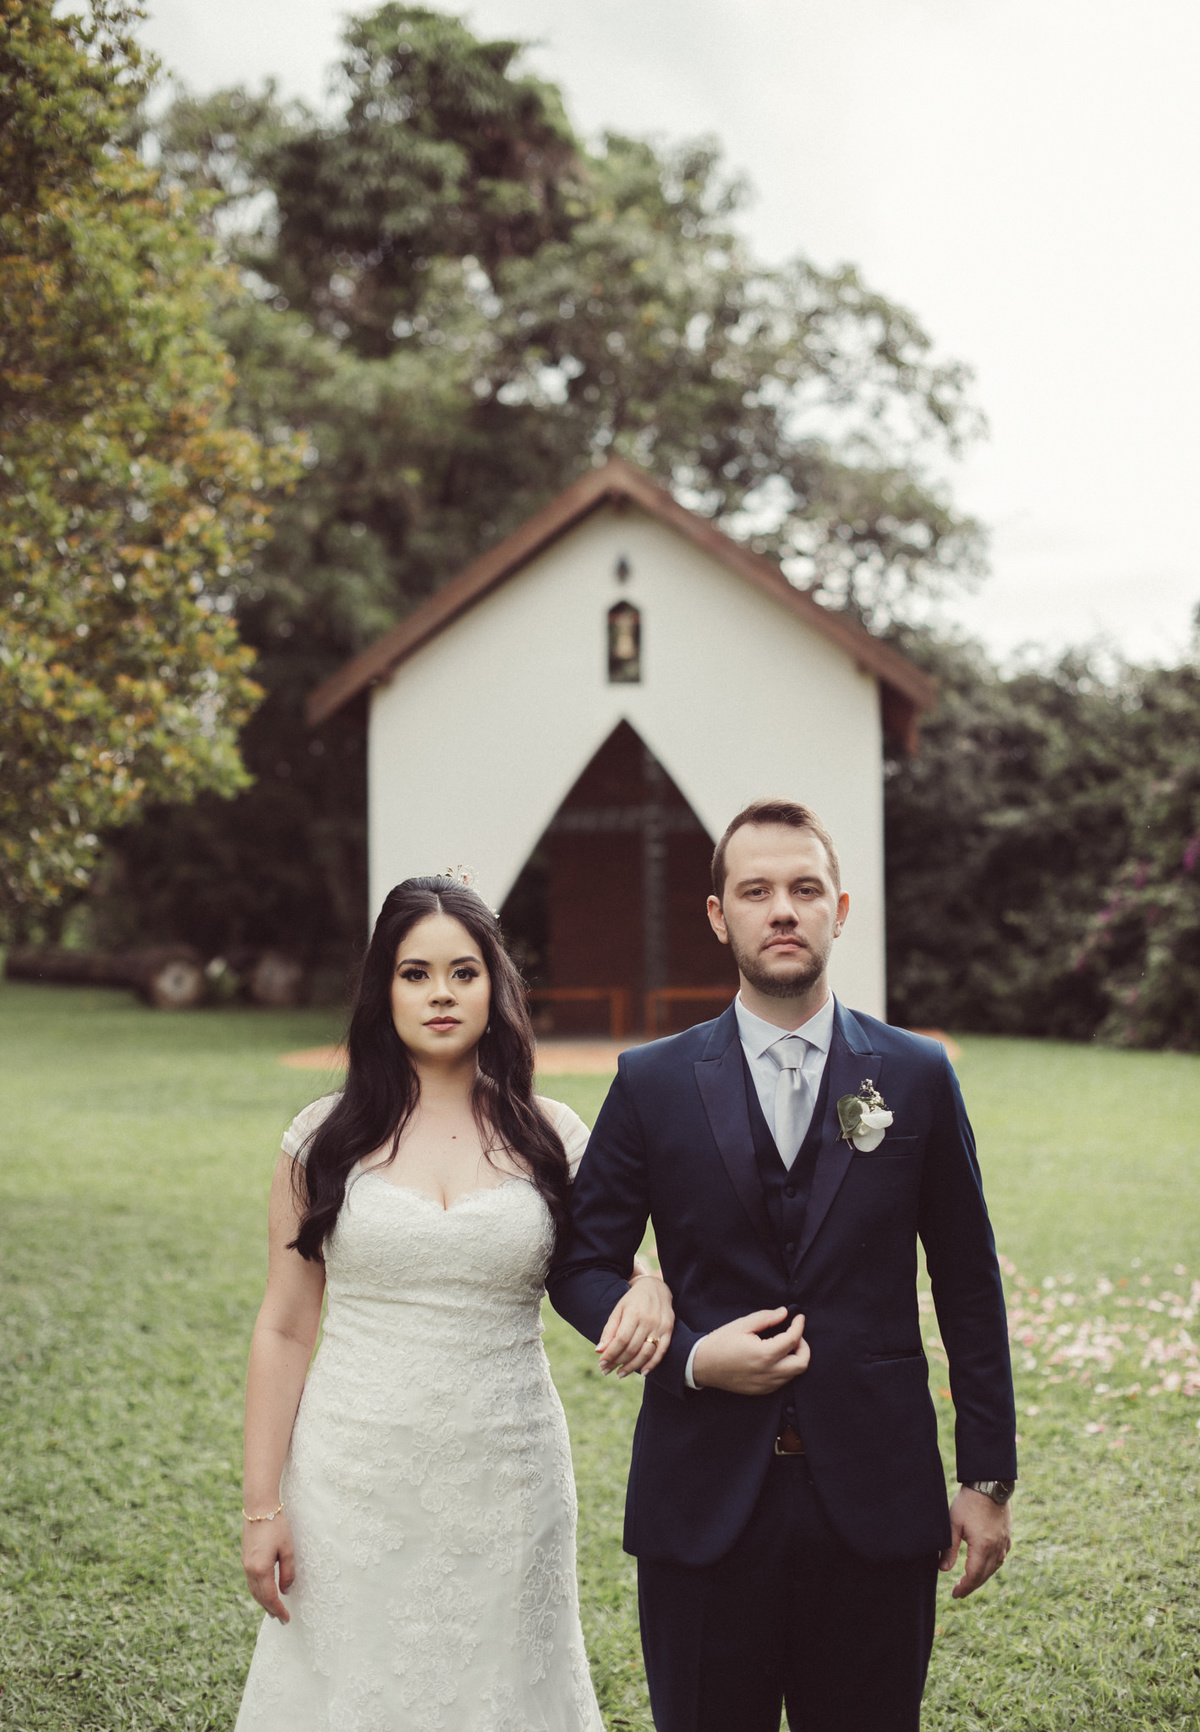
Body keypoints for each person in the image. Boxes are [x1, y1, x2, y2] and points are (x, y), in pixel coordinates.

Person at [548, 800, 1017, 1732]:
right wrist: (686, 1354)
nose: (783, 911)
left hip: (878, 1498)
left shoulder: (917, 1074)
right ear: (719, 916)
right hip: (703, 1502)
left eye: (805, 889)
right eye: (756, 891)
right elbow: (578, 1261)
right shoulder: (652, 1082)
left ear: (840, 909)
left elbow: (968, 1280)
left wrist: (986, 1477)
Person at [234, 874, 673, 1731]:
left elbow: (622, 1264)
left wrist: (652, 1285)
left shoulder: (554, 1135)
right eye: (415, 973)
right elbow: (285, 1326)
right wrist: (262, 1506)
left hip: (508, 1474)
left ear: (495, 987)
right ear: (382, 990)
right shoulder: (319, 1140)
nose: (441, 993)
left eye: (463, 972)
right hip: (350, 1476)